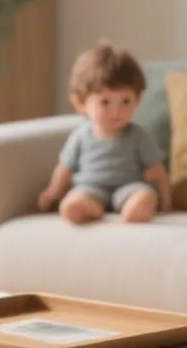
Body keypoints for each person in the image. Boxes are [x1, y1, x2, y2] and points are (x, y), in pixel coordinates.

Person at [37, 41, 169, 224]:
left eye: (125, 101)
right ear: (81, 103)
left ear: (137, 100)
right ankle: (91, 208)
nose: (116, 112)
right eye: (105, 102)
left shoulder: (138, 136)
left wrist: (165, 198)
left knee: (144, 195)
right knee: (71, 204)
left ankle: (132, 210)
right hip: (90, 187)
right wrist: (53, 192)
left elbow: (157, 170)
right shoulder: (80, 137)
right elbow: (64, 169)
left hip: (129, 186)